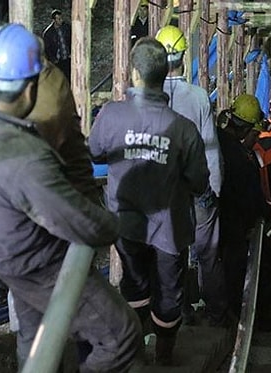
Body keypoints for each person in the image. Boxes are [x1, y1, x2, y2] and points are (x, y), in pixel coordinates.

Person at [0, 23, 142, 371]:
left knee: (37, 338)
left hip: (4, 249)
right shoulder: (23, 154)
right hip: (39, 260)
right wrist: (114, 224)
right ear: (27, 87)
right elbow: (78, 220)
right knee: (121, 335)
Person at [89, 37, 209, 365]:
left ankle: (134, 350)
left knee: (134, 283)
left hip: (126, 223)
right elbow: (200, 181)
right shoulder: (184, 129)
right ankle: (165, 356)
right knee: (169, 291)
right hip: (171, 226)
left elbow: (96, 151)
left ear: (135, 75)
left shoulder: (111, 115)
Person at [156, 25, 226, 326]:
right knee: (207, 252)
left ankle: (179, 311)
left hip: (164, 190)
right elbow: (210, 146)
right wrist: (215, 188)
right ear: (185, 56)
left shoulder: (152, 98)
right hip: (198, 187)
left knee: (172, 253)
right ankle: (214, 313)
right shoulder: (198, 97)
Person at [216, 94, 267, 317]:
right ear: (246, 129)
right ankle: (235, 312)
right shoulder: (240, 157)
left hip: (214, 217)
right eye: (253, 133)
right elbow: (248, 196)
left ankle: (224, 309)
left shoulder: (216, 141)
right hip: (233, 222)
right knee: (234, 269)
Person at [43, 9, 72, 79]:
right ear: (54, 20)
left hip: (68, 58)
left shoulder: (66, 27)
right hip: (57, 61)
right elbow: (47, 48)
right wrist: (53, 59)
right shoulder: (48, 33)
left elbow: (71, 39)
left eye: (61, 18)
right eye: (58, 19)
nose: (61, 20)